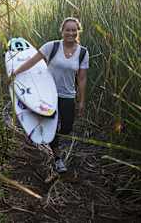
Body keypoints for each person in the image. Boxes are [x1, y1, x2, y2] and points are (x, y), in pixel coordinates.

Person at [10, 17, 89, 173]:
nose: (71, 33)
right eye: (68, 29)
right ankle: (57, 158)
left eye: (74, 30)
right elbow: (33, 61)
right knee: (51, 127)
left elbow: (82, 78)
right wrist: (16, 72)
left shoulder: (83, 53)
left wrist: (81, 101)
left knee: (66, 127)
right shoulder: (51, 46)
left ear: (78, 31)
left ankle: (48, 133)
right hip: (48, 94)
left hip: (68, 95)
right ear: (62, 30)